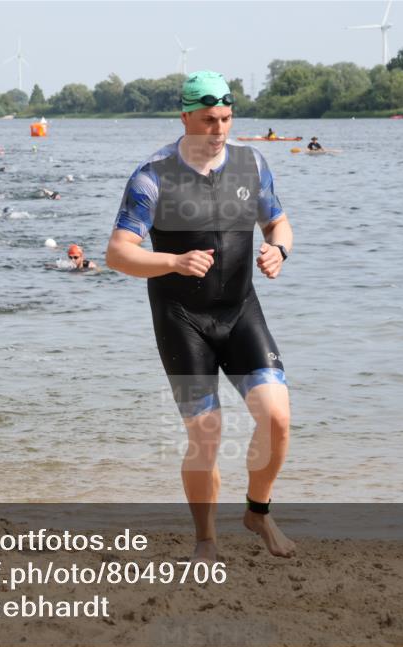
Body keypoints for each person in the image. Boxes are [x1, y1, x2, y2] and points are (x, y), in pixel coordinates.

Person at [106, 70, 295, 562]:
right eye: (209, 120)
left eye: (227, 119)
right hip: (181, 319)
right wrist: (172, 261)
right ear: (185, 116)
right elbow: (118, 254)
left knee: (277, 418)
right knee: (206, 434)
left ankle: (258, 511)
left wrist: (279, 249)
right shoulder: (153, 176)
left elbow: (277, 220)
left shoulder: (251, 164)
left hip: (239, 313)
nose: (218, 130)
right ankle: (206, 540)